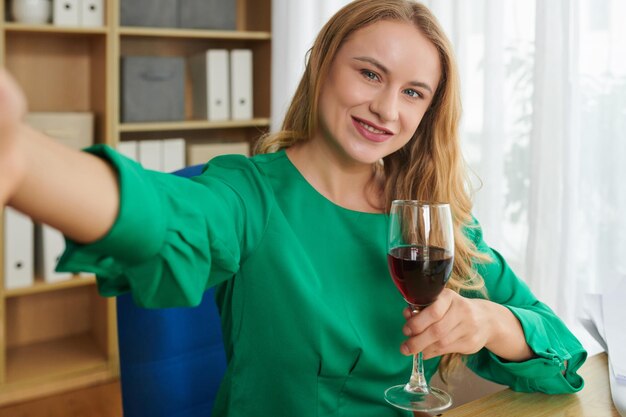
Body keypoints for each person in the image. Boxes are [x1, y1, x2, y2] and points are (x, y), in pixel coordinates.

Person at [0, 0, 586, 416]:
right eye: (369, 73)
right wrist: (20, 158)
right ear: (322, 63)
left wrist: (489, 322)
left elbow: (564, 352)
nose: (386, 109)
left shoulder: (431, 221)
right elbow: (161, 213)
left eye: (413, 92)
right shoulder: (249, 194)